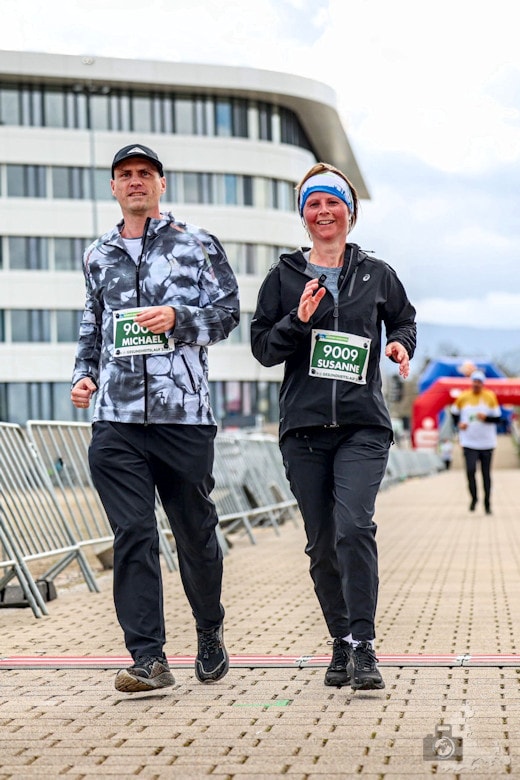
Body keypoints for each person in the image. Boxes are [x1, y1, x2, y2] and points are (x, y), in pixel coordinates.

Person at [71, 143, 240, 693]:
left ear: (161, 184)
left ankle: (209, 630)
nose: (135, 181)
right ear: (114, 187)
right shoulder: (98, 255)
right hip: (116, 418)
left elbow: (229, 313)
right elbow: (93, 325)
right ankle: (148, 659)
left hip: (183, 417)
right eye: (125, 175)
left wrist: (179, 317)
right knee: (133, 532)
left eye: (145, 173)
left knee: (194, 533)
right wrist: (84, 375)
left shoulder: (198, 244)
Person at [250, 162, 416, 691]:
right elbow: (262, 350)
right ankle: (340, 642)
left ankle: (365, 646)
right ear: (304, 216)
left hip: (362, 426)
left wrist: (399, 346)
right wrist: (298, 319)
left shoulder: (377, 274)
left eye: (332, 203)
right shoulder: (283, 277)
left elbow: (404, 320)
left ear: (350, 212)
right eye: (313, 205)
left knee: (354, 528)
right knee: (322, 544)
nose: (324, 212)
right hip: (304, 429)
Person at [451, 370, 501, 514]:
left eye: (479, 382)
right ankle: (474, 498)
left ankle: (487, 503)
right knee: (471, 471)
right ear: (471, 382)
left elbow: (498, 419)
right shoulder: (463, 397)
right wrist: (459, 423)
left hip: (487, 442)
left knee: (486, 474)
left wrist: (486, 418)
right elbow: (454, 414)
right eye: (474, 381)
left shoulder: (490, 397)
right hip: (469, 442)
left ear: (483, 383)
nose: (476, 384)